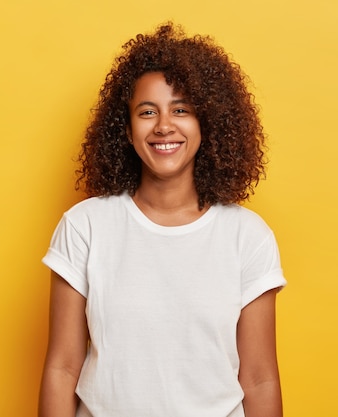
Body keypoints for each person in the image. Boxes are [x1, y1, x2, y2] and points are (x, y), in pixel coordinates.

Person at [39, 22, 286, 417]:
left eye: (182, 110)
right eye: (147, 111)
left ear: (208, 123)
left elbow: (259, 379)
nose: (164, 126)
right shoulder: (84, 227)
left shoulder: (247, 236)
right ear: (126, 129)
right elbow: (62, 368)